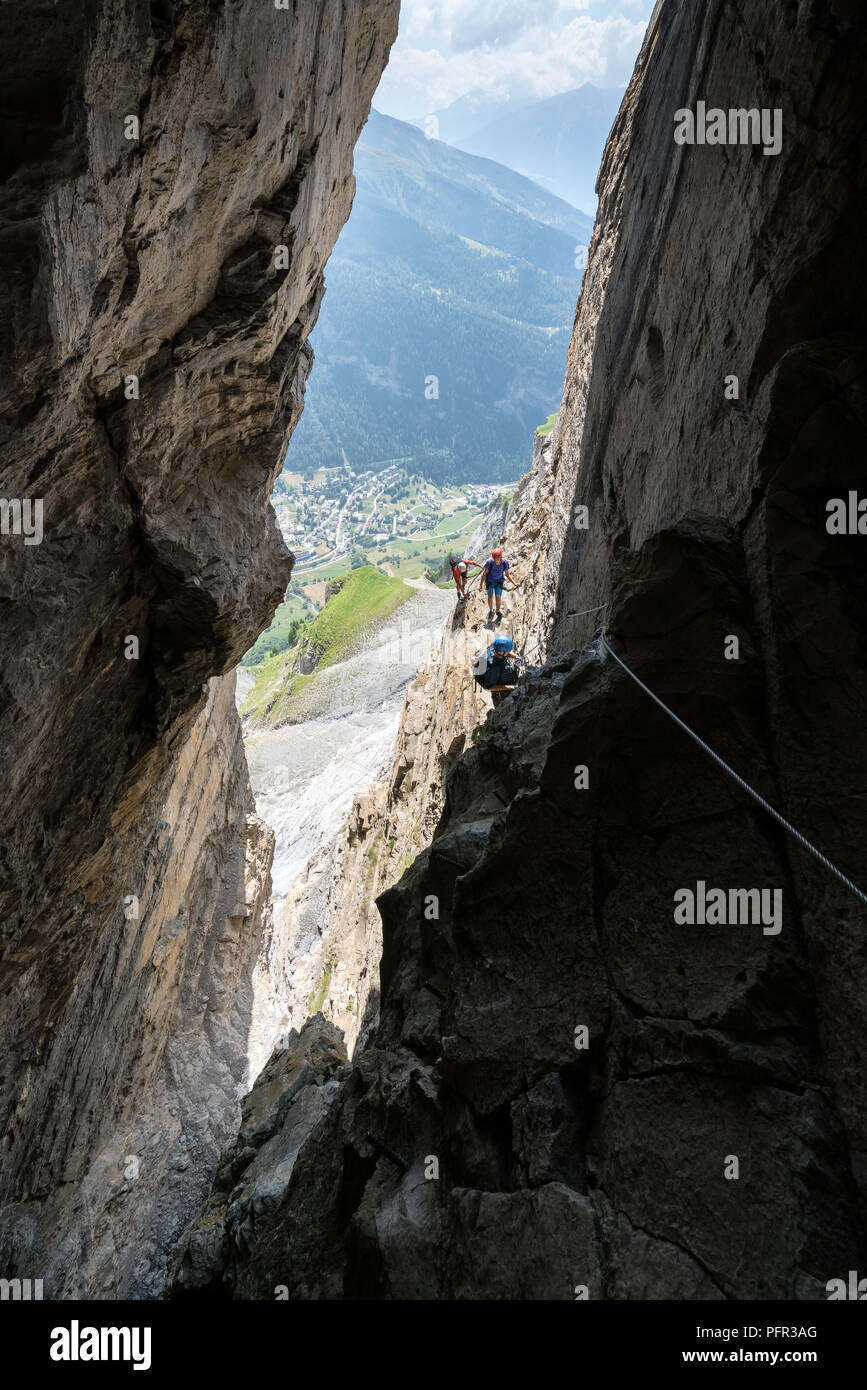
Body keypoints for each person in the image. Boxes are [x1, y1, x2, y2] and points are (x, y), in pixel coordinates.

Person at [472, 634, 523, 702]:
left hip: (504, 675)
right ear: (501, 652)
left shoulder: (495, 647)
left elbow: (507, 652)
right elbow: (489, 687)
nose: (509, 652)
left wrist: (516, 657)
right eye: (507, 651)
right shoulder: (493, 669)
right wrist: (509, 687)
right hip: (501, 693)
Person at [480, 546, 518, 621]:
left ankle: (497, 611)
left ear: (500, 557)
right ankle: (491, 610)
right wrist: (480, 585)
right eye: (495, 558)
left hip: (499, 582)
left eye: (498, 558)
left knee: (498, 597)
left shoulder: (505, 563)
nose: (496, 560)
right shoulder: (489, 562)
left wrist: (515, 583)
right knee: (490, 597)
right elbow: (484, 574)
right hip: (490, 582)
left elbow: (507, 574)